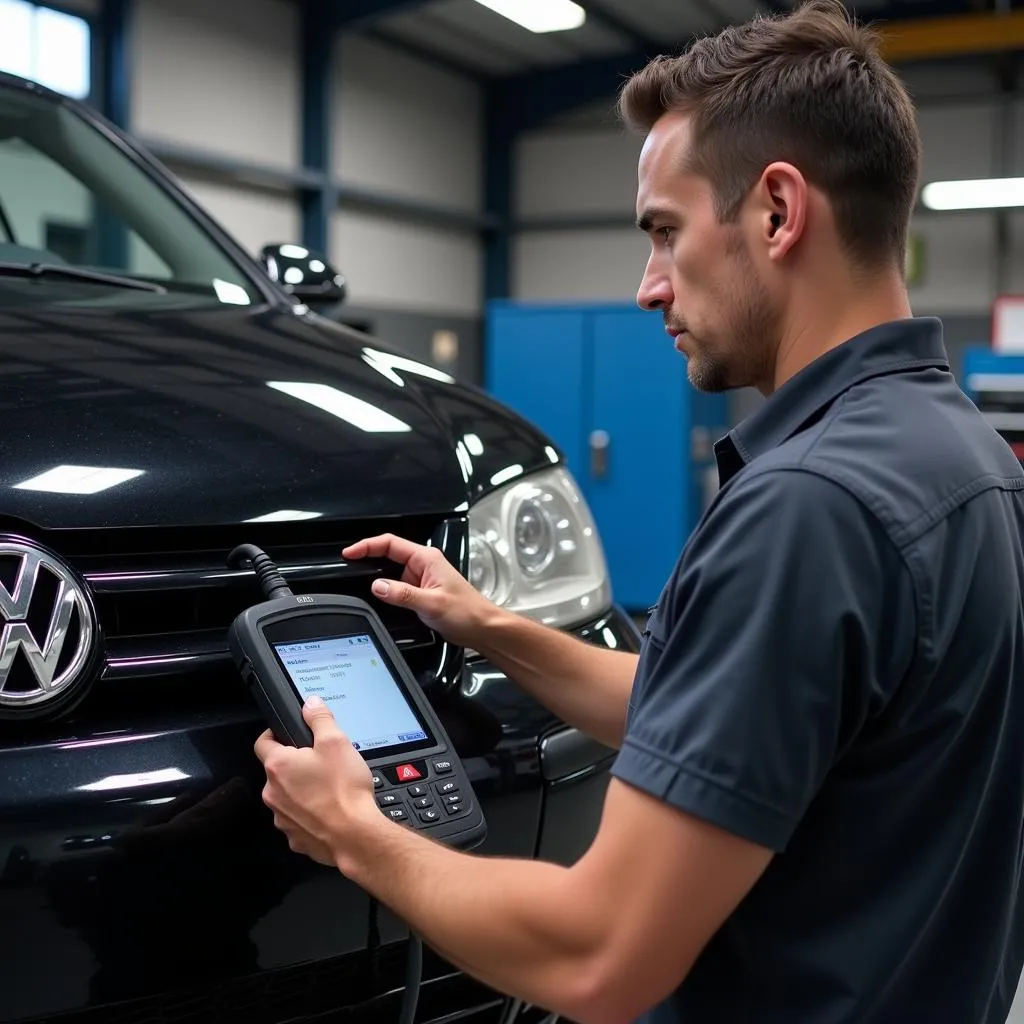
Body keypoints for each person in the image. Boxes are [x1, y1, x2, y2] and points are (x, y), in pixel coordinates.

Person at [254, 1, 1024, 1020]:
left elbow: (599, 952)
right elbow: (735, 717)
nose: (647, 287)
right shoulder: (965, 456)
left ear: (777, 212)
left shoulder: (807, 508)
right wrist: (491, 627)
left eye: (663, 233)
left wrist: (359, 832)